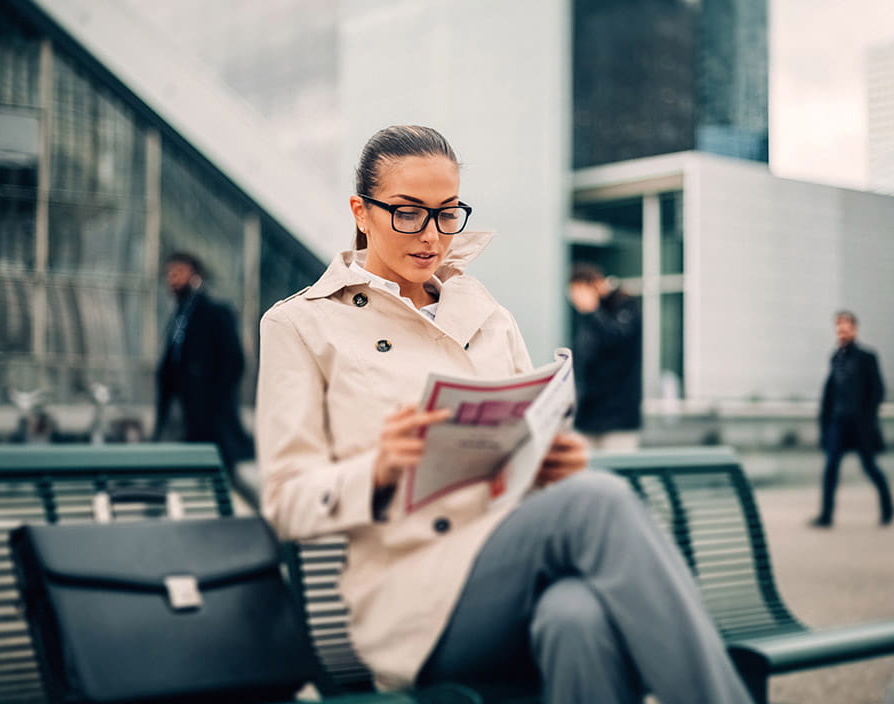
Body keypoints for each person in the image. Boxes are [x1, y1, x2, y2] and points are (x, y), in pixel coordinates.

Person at [256, 125, 752, 704]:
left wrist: (544, 465)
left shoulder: (486, 313)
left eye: (447, 214)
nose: (432, 236)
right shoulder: (302, 324)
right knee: (599, 501)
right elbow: (286, 500)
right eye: (409, 214)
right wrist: (380, 469)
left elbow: (522, 450)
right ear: (361, 212)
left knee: (578, 617)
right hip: (413, 596)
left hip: (515, 565)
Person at [154, 251, 252, 478]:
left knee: (213, 470)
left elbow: (234, 361)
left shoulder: (215, 312)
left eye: (178, 273)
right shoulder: (180, 315)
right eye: (169, 274)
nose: (172, 279)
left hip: (208, 415)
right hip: (183, 410)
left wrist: (214, 399)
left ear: (196, 276)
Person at [810, 310, 894, 528]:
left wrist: (868, 420)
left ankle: (888, 508)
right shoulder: (835, 357)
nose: (842, 331)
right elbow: (829, 393)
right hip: (838, 423)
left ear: (854, 329)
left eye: (846, 327)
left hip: (860, 426)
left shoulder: (867, 357)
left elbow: (877, 391)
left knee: (869, 467)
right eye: (839, 328)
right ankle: (826, 515)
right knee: (830, 468)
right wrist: (825, 423)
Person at [568, 263, 643, 450]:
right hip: (587, 415)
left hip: (618, 416)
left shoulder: (624, 306)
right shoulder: (588, 320)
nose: (576, 300)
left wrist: (592, 311)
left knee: (618, 472)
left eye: (578, 292)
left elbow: (616, 341)